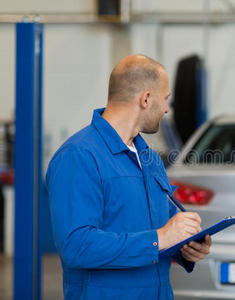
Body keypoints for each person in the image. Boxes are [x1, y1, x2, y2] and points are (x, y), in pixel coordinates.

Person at [46, 54, 212, 299]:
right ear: (146, 99)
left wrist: (185, 245)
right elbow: (76, 245)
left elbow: (164, 222)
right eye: (165, 99)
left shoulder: (149, 157)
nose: (167, 109)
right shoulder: (79, 156)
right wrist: (160, 238)